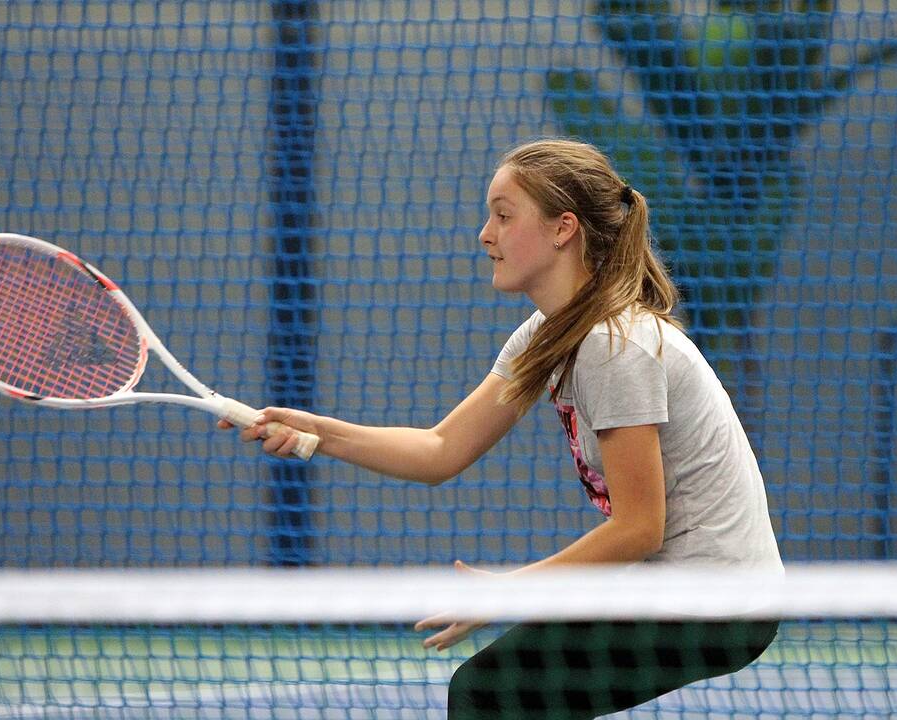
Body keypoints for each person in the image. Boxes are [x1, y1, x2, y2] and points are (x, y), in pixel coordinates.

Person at [220, 138, 783, 719]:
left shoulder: (616, 347)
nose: (485, 234)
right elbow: (440, 450)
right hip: (668, 591)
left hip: (719, 603)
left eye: (504, 215)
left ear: (563, 228)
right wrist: (317, 432)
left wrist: (510, 590)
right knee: (500, 695)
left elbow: (640, 527)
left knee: (489, 694)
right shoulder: (547, 337)